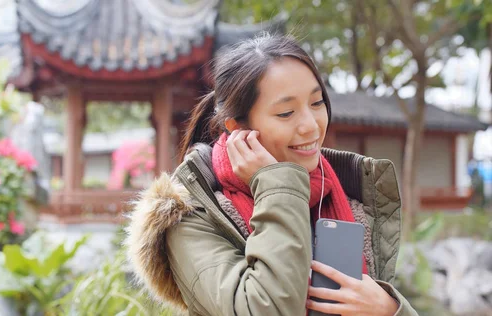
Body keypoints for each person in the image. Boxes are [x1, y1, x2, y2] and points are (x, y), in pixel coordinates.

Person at [124, 34, 418, 316]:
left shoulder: (353, 199)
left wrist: (391, 310)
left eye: (317, 103)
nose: (311, 127)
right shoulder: (193, 218)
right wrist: (277, 184)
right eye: (286, 113)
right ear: (238, 128)